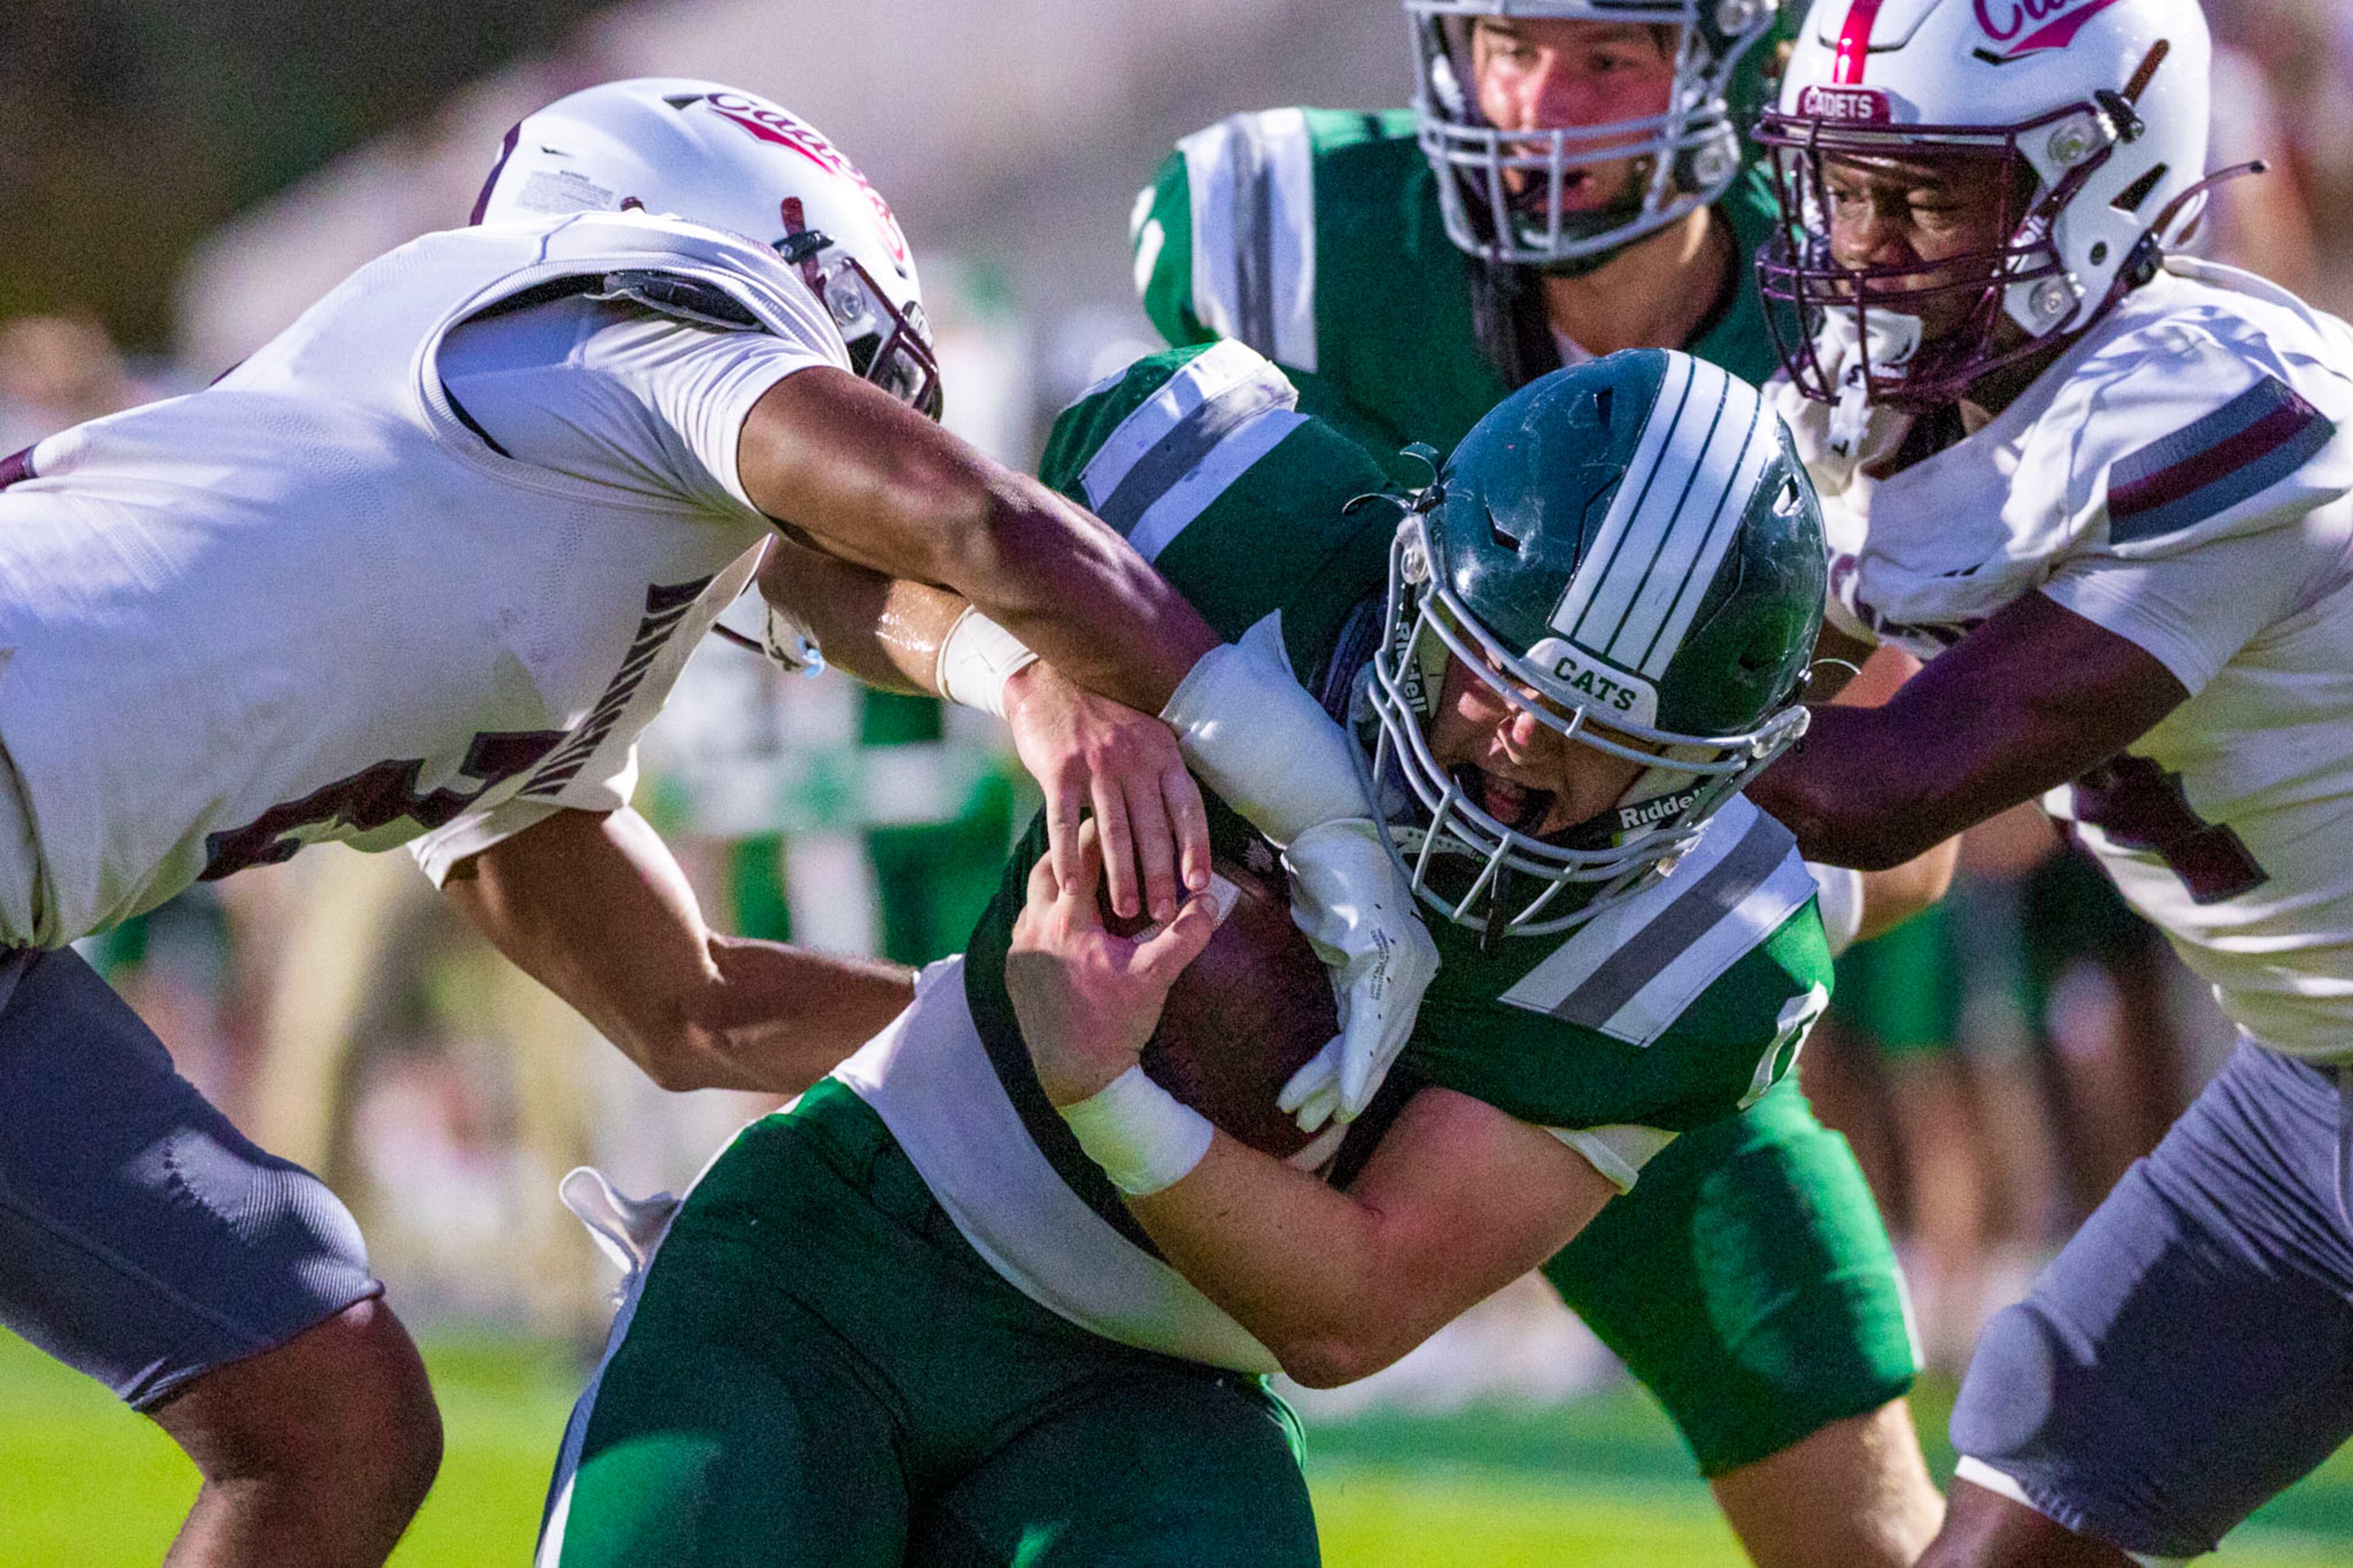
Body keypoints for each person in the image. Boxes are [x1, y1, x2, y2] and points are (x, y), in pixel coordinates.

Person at [0, 77, 1433, 1567]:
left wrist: (1045, 1068)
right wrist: (1315, 810)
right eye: (864, 371)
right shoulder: (608, 312)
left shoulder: (524, 568)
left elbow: (689, 1008)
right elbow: (968, 526)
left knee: (332, 1418)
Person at [537, 344, 1870, 1567]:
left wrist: (1106, 1091)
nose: (1517, 734)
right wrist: (1022, 669)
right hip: (848, 1238)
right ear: (1424, 571)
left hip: (1156, 1394)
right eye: (1496, 665)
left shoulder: (1709, 944)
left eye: (1601, 729)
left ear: (1717, 764)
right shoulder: (1243, 515)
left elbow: (1358, 1300)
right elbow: (796, 555)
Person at [1125, 5, 1950, 1558]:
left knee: (1844, 1467)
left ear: (1729, 66)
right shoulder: (1296, 228)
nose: (1540, 109)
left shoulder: (1852, 332)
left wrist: (1665, 932)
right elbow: (1106, 554)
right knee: (986, 1289)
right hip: (1261, 933)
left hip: (1596, 974)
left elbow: (1913, 841)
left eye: (1608, 59)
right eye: (1513, 45)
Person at [1743, 2, 2353, 1562]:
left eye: (1928, 194)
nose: (1868, 249)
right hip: (2309, 1080)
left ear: (2096, 181)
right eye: (1849, 186)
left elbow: (1885, 782)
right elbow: (1770, 672)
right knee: (2054, 1443)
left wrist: (1602, 712)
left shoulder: (2210, 406)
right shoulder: (1896, 404)